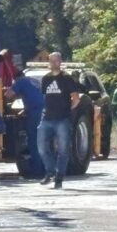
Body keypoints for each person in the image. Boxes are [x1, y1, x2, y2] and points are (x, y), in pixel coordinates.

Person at [38, 52, 80, 189]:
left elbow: (76, 99)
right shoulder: (45, 79)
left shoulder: (67, 78)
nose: (54, 63)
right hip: (47, 119)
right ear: (48, 63)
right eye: (52, 61)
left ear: (60, 62)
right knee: (42, 147)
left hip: (62, 119)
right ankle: (50, 171)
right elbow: (45, 98)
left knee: (63, 150)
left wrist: (68, 111)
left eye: (57, 60)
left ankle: (59, 178)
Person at [5, 69, 45, 177]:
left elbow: (8, 95)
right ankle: (44, 168)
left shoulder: (20, 81)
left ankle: (37, 171)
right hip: (44, 110)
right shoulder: (34, 81)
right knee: (41, 140)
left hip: (34, 112)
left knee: (33, 140)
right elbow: (34, 96)